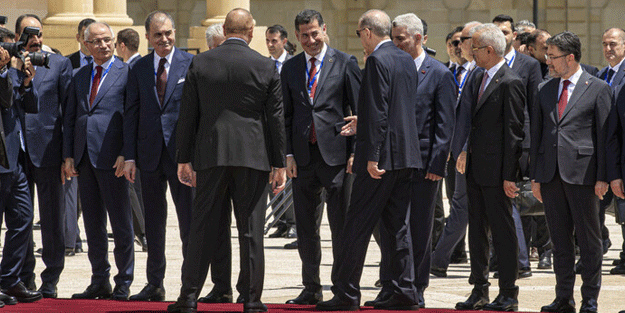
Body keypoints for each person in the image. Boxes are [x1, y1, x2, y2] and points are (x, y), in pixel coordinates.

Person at [168, 8, 286, 313]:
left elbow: (187, 115)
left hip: (210, 154)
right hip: (253, 156)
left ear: (224, 28)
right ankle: (251, 299)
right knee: (251, 231)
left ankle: (189, 297)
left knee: (202, 227)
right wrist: (279, 163)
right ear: (251, 31)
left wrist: (184, 159)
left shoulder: (201, 61)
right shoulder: (265, 65)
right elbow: (275, 119)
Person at [316, 9, 420, 311]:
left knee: (355, 226)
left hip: (380, 160)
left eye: (361, 35)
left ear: (367, 32)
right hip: (405, 157)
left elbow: (380, 110)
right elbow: (397, 108)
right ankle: (403, 290)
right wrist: (364, 121)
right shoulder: (405, 58)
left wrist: (372, 157)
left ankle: (346, 293)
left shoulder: (376, 60)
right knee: (397, 227)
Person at [280, 9, 360, 306]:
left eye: (315, 33)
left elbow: (357, 111)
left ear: (324, 30)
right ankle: (311, 286)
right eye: (304, 35)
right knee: (305, 228)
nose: (310, 40)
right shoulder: (290, 68)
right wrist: (287, 154)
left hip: (338, 157)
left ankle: (343, 288)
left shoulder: (345, 63)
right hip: (303, 158)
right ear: (297, 36)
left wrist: (354, 154)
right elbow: (285, 116)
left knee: (341, 227)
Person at [531, 31, 611, 313]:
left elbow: (604, 136)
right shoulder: (545, 89)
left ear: (570, 58)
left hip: (585, 176)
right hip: (551, 176)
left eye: (552, 57)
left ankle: (590, 300)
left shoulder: (598, 88)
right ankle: (563, 298)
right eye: (547, 56)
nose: (548, 62)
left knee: (589, 243)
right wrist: (536, 177)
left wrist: (604, 176)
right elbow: (537, 136)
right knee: (560, 243)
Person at [379, 12, 454, 309]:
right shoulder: (389, 69)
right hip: (392, 162)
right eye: (393, 38)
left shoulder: (439, 74)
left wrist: (437, 164)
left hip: (423, 165)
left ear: (419, 38)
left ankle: (416, 286)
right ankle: (390, 285)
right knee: (390, 228)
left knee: (419, 228)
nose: (395, 44)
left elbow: (445, 125)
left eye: (400, 39)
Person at [122, 11, 194, 302]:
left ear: (174, 33)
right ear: (148, 37)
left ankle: (190, 285)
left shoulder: (191, 64)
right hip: (149, 156)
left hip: (182, 158)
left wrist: (194, 155)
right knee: (153, 224)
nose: (164, 39)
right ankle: (155, 284)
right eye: (157, 35)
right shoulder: (138, 69)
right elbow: (131, 114)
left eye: (168, 33)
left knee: (188, 223)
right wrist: (129, 157)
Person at [455, 23, 524, 312]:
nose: (469, 50)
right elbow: (468, 119)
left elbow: (515, 133)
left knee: (503, 232)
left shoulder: (510, 81)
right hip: (475, 169)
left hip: (498, 173)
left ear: (489, 50)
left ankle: (508, 292)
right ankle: (479, 289)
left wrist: (511, 176)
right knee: (477, 232)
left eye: (474, 46)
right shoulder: (475, 77)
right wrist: (460, 150)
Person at [63, 22, 134, 301]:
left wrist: (126, 153)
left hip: (113, 158)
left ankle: (124, 281)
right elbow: (70, 117)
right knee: (93, 224)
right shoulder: (79, 75)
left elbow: (132, 116)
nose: (104, 45)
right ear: (86, 44)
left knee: (121, 223)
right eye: (97, 41)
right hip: (84, 158)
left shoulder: (127, 73)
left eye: (108, 40)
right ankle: (99, 279)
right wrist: (68, 154)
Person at [14, 14, 73, 298]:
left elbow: (68, 114)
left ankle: (51, 277)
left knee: (51, 219)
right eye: (28, 34)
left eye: (38, 33)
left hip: (49, 152)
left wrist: (67, 156)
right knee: (20, 218)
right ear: (17, 39)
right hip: (16, 156)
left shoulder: (59, 64)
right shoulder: (7, 66)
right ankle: (24, 275)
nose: (35, 39)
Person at [430, 21, 483, 278]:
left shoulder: (481, 72)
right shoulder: (464, 71)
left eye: (463, 40)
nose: (458, 45)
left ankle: (438, 259)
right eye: (456, 41)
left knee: (463, 206)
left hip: (472, 152)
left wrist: (462, 148)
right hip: (456, 150)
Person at [493, 13, 543, 278]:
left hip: (521, 143)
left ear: (514, 35)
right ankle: (507, 258)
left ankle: (521, 261)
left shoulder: (528, 65)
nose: (501, 36)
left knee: (513, 199)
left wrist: (535, 148)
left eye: (505, 32)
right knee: (501, 201)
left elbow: (535, 108)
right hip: (493, 145)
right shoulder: (486, 65)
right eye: (496, 31)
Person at [195, 22, 236, 305]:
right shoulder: (200, 70)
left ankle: (248, 288)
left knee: (247, 229)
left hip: (244, 160)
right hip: (210, 158)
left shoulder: (248, 68)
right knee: (216, 227)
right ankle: (221, 286)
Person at [0, 38, 41, 305]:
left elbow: (29, 106)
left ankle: (9, 279)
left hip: (16, 160)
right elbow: (4, 101)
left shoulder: (12, 71)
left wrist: (26, 82)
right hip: (1, 158)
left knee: (24, 219)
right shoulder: (4, 71)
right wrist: (4, 71)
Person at [115, 27, 147, 253]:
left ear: (122, 45)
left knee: (133, 189)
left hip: (133, 141)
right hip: (136, 140)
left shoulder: (133, 69)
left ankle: (143, 233)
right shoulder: (140, 65)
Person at [265, 23, 297, 241]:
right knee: (271, 175)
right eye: (267, 40)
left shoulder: (293, 64)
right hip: (268, 128)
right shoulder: (264, 65)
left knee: (289, 175)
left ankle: (294, 222)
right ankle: (281, 221)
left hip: (289, 126)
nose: (269, 45)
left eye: (273, 41)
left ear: (284, 42)